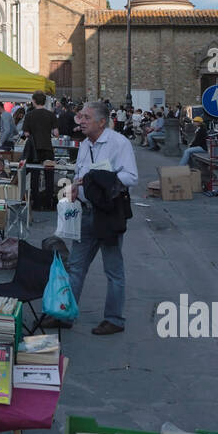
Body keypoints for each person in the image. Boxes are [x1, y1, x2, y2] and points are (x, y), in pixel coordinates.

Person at [43, 102, 138, 335]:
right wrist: (75, 186)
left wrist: (101, 178)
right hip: (85, 212)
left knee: (113, 270)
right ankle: (65, 315)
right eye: (80, 117)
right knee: (76, 266)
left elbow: (131, 176)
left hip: (108, 214)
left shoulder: (119, 143)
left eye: (86, 117)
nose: (81, 121)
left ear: (102, 122)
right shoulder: (85, 144)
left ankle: (114, 319)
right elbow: (80, 174)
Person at [22, 91, 57, 210]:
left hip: (34, 149)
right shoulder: (51, 114)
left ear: (34, 101)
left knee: (34, 176)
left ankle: (36, 204)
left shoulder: (29, 115)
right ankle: (49, 203)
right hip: (48, 147)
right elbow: (56, 133)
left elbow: (26, 133)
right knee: (49, 176)